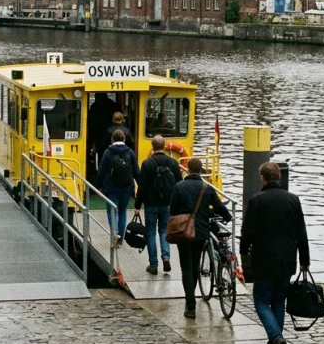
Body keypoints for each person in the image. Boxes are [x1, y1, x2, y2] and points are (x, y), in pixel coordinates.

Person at [239, 162, 310, 344]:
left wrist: (243, 253)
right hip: (287, 259)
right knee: (279, 302)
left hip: (264, 259)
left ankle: (276, 337)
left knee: (261, 301)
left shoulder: (256, 200)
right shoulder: (293, 200)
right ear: (278, 177)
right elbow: (301, 233)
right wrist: (305, 260)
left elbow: (248, 231)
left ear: (263, 178)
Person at [169, 157, 231, 319]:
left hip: (183, 232)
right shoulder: (207, 188)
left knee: (186, 268)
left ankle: (190, 305)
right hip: (201, 233)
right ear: (201, 170)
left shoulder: (179, 187)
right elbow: (218, 206)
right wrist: (228, 216)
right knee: (195, 266)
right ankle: (192, 297)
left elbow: (173, 209)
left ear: (188, 169)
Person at [134, 135, 184, 275]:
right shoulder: (173, 163)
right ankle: (166, 257)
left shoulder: (147, 164)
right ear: (164, 146)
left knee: (150, 232)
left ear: (152, 146)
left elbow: (142, 187)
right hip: (167, 203)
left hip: (151, 204)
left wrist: (138, 205)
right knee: (163, 231)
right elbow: (179, 183)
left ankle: (153, 264)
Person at [96, 129, 139, 247]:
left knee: (112, 211)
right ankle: (121, 236)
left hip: (111, 187)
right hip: (126, 187)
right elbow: (136, 171)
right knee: (122, 211)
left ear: (112, 139)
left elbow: (102, 170)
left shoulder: (108, 152)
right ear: (124, 139)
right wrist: (139, 186)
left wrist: (99, 185)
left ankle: (114, 234)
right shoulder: (130, 152)